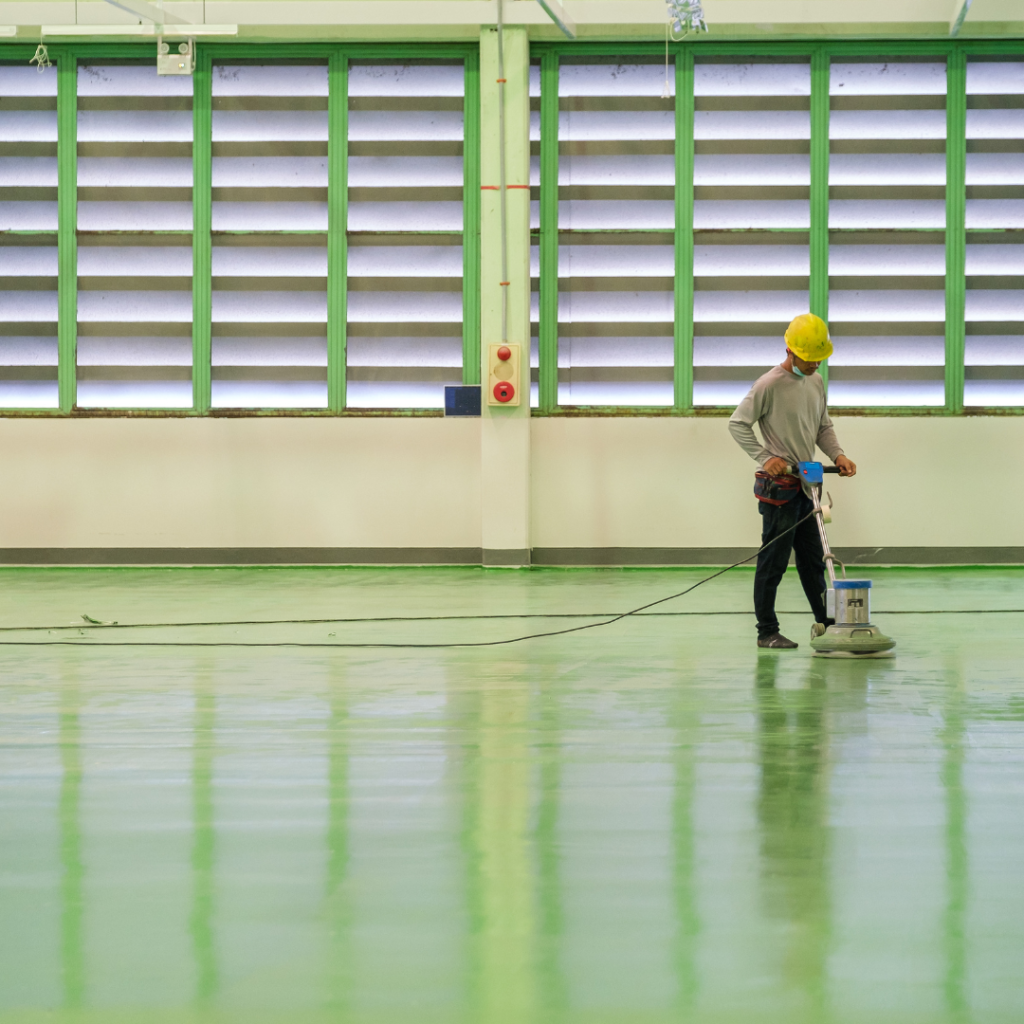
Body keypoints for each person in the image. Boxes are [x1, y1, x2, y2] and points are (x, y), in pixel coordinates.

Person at [728, 314, 857, 649]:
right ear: (789, 350)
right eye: (808, 358)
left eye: (819, 358)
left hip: (808, 489)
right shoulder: (768, 385)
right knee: (773, 564)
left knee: (815, 561)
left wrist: (838, 455)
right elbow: (738, 424)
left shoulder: (816, 382)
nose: (814, 364)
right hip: (781, 492)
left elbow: (822, 427)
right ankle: (766, 631)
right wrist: (765, 457)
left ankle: (827, 624)